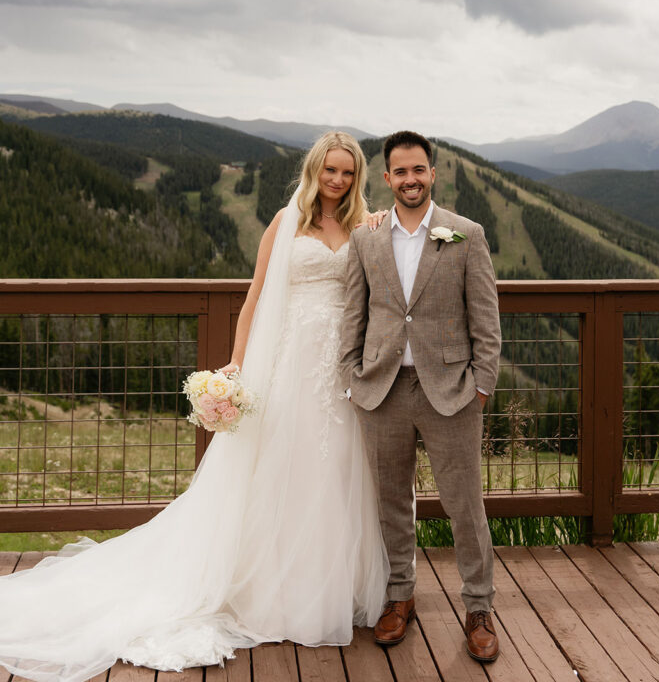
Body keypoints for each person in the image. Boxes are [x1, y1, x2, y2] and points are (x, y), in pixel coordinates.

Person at [0, 131, 389, 682]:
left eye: (348, 173)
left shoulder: (363, 226)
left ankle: (328, 587)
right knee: (281, 467)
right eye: (330, 170)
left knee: (335, 471)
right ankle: (270, 588)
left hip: (340, 368)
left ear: (358, 178)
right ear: (313, 171)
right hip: (289, 363)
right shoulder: (285, 222)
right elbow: (256, 297)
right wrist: (235, 365)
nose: (338, 181)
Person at [339, 130, 502, 661]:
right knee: (390, 503)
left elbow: (486, 319)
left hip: (451, 392)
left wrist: (481, 386)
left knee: (464, 505)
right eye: (400, 172)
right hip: (381, 389)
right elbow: (353, 315)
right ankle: (399, 597)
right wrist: (352, 376)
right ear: (387, 179)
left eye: (419, 170)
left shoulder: (465, 234)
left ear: (433, 173)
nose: (410, 180)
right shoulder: (366, 237)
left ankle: (479, 608)